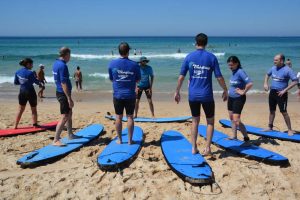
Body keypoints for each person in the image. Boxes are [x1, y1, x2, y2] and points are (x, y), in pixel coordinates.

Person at [174, 33, 228, 155]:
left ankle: (193, 148)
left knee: (195, 121)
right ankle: (208, 148)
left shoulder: (189, 57)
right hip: (207, 96)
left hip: (193, 95)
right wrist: (225, 89)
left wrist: (177, 91)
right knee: (210, 122)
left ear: (195, 43)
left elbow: (181, 77)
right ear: (206, 43)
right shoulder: (212, 57)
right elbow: (219, 77)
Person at [108, 42, 141, 145]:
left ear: (119, 51)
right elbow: (138, 79)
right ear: (128, 51)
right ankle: (130, 141)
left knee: (118, 117)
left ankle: (119, 140)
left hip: (118, 94)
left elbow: (111, 79)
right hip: (130, 95)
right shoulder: (134, 65)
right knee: (130, 117)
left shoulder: (112, 64)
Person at [263, 54, 298, 136]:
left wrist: (284, 90)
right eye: (274, 60)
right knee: (272, 111)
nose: (274, 61)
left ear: (281, 61)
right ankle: (270, 127)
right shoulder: (273, 68)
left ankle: (289, 129)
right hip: (272, 92)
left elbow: (295, 81)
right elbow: (267, 74)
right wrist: (265, 83)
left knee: (284, 112)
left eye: (276, 60)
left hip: (282, 94)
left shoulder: (288, 70)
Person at [52, 47, 80, 146]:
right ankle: (56, 139)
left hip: (60, 91)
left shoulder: (56, 63)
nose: (70, 57)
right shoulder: (63, 66)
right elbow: (63, 83)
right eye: (70, 55)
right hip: (63, 94)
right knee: (64, 117)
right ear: (67, 54)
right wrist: (69, 98)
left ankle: (70, 134)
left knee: (69, 113)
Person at [226, 56, 253, 141]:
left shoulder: (240, 72)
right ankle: (234, 136)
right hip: (231, 98)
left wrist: (243, 92)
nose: (230, 67)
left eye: (232, 65)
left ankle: (246, 138)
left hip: (238, 99)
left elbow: (250, 83)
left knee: (236, 120)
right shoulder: (233, 72)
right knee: (231, 118)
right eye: (229, 65)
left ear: (237, 63)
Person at [14, 58, 41, 129]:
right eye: (31, 64)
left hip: (22, 92)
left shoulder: (17, 72)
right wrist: (36, 76)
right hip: (30, 92)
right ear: (28, 64)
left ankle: (15, 126)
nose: (32, 65)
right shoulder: (30, 73)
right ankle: (35, 125)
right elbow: (37, 82)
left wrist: (23, 81)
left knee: (20, 110)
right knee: (33, 109)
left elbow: (16, 83)